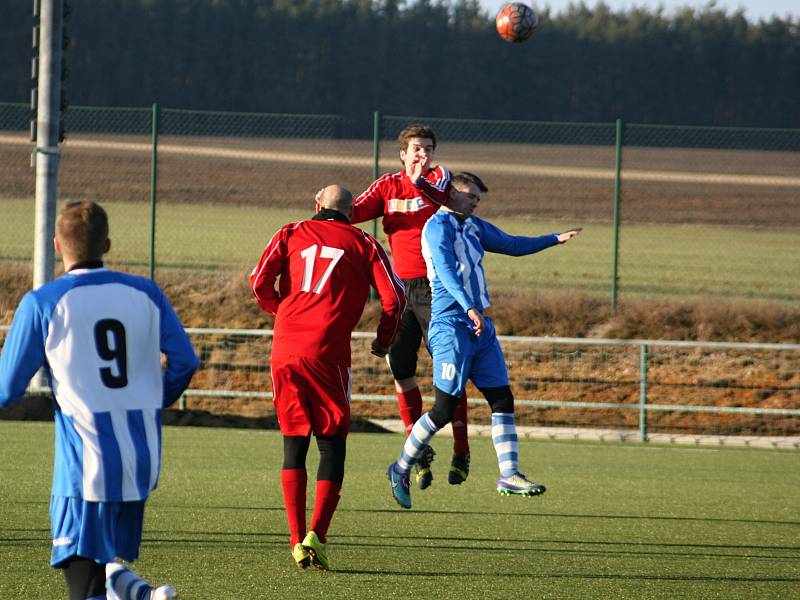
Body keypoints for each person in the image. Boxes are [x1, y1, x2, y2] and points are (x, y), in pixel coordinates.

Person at [0, 201, 199, 599]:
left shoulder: (43, 302)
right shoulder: (146, 292)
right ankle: (139, 593)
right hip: (141, 462)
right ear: (106, 244)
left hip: (83, 467)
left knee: (81, 580)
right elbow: (186, 361)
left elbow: (7, 389)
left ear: (57, 245)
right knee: (97, 560)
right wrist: (149, 401)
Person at [386, 172, 581, 509]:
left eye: (478, 197)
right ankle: (400, 467)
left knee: (502, 398)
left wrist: (553, 238)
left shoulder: (475, 227)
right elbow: (445, 270)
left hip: (480, 326)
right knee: (443, 410)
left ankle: (509, 474)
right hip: (450, 325)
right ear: (450, 194)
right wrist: (468, 306)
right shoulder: (436, 226)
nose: (475, 201)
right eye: (470, 195)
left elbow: (514, 245)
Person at [249, 185, 405, 570]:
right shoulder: (364, 243)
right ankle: (317, 535)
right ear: (353, 212)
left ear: (316, 205)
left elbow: (258, 282)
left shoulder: (288, 232)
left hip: (285, 348)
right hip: (328, 353)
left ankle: (294, 539)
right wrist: (383, 341)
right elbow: (395, 298)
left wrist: (282, 314)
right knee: (332, 444)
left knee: (293, 443)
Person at [349, 123, 472, 490]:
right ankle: (416, 452)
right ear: (402, 153)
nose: (423, 154)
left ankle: (461, 449)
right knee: (401, 368)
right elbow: (353, 212)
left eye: (428, 148)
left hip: (437, 289)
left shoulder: (439, 178)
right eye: (416, 149)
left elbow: (438, 196)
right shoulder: (386, 186)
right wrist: (327, 209)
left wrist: (419, 180)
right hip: (401, 289)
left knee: (449, 369)